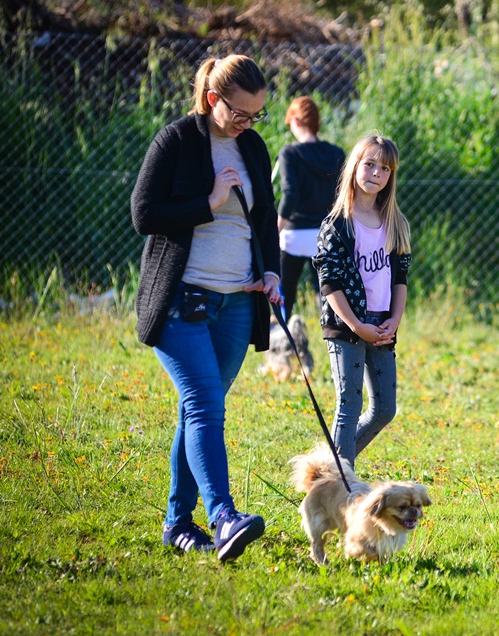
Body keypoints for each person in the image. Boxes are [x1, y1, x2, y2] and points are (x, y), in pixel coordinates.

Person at [131, 54, 282, 562]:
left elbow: (265, 220)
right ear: (213, 99)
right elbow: (144, 213)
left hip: (238, 303)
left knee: (198, 411)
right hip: (180, 298)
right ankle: (223, 517)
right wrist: (210, 201)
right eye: (240, 114)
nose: (248, 123)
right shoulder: (175, 141)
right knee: (204, 407)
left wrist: (272, 272)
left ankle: (178, 523)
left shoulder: (254, 147)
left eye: (257, 115)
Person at [312, 134, 411, 467]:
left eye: (385, 168)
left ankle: (331, 469)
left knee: (385, 409)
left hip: (382, 323)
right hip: (346, 324)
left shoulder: (396, 224)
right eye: (369, 164)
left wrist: (394, 321)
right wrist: (356, 325)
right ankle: (342, 485)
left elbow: (400, 279)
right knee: (349, 404)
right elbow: (330, 283)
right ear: (355, 166)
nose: (376, 173)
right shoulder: (337, 225)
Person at [275, 96, 346, 322]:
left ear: (295, 120)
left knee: (284, 293)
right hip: (327, 235)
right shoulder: (336, 153)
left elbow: (290, 193)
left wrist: (276, 228)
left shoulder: (290, 153)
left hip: (294, 235)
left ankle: (282, 344)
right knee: (328, 295)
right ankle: (334, 342)